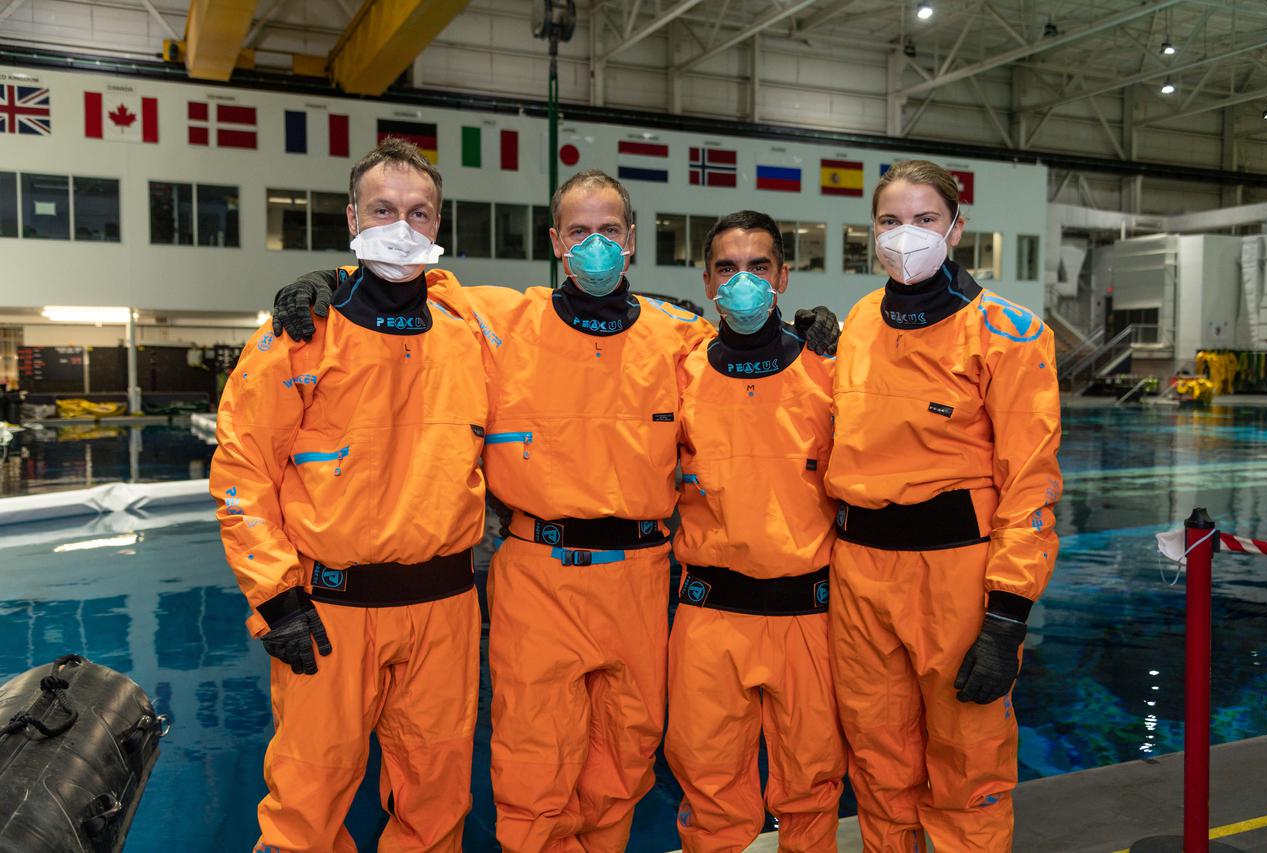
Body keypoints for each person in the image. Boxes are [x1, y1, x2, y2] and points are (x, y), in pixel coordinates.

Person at [269, 170, 840, 852]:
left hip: (641, 578)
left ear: (630, 240)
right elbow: (406, 273)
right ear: (554, 242)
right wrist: (330, 278)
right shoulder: (501, 321)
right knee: (534, 766)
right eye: (578, 231)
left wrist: (809, 342)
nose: (594, 245)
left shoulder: (677, 337)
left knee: (624, 764)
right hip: (537, 577)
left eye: (608, 231)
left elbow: (746, 356)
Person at [210, 137, 488, 853]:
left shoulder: (468, 330)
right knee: (305, 810)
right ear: (352, 217)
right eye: (384, 209)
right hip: (331, 613)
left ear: (438, 224)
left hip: (445, 615)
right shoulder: (298, 337)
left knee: (435, 805)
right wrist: (275, 598)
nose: (402, 226)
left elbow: (570, 323)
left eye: (419, 212)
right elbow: (242, 471)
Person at [824, 159, 1062, 852]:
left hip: (955, 577)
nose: (907, 235)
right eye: (891, 221)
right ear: (871, 231)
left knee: (967, 765)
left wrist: (1008, 612)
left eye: (925, 219)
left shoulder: (1008, 335)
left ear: (956, 228)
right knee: (877, 762)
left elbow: (1032, 483)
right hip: (860, 572)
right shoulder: (860, 323)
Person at [665, 210, 844, 852]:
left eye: (758, 267)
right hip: (711, 619)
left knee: (813, 792)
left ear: (783, 277)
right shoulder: (681, 374)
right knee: (711, 795)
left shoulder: (828, 373)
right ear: (708, 282)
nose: (743, 282)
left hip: (811, 619)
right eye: (728, 269)